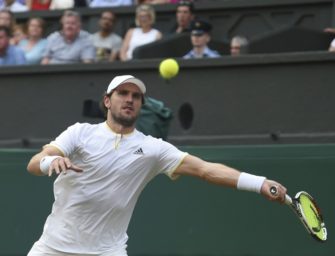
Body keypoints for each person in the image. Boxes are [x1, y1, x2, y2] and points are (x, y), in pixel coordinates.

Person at [26, 74, 287, 256]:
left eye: (136, 96)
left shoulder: (153, 148)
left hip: (107, 251)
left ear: (141, 105)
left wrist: (259, 183)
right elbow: (35, 162)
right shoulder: (80, 133)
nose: (130, 99)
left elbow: (205, 170)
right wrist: (52, 160)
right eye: (123, 93)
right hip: (53, 247)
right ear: (107, 100)